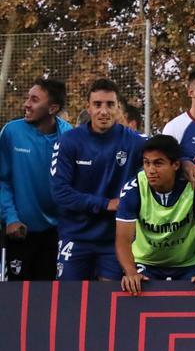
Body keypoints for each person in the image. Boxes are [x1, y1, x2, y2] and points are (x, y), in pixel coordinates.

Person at [51, 78, 146, 280]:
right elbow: (60, 193)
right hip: (75, 236)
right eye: (97, 105)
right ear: (89, 107)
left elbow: (164, 151)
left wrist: (185, 162)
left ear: (118, 108)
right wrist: (105, 204)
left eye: (110, 105)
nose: (104, 111)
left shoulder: (133, 141)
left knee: (108, 302)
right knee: (69, 299)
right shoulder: (69, 141)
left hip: (114, 240)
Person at [115, 135, 195, 295]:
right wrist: (130, 272)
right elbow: (123, 238)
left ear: (176, 164)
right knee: (135, 297)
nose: (151, 170)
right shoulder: (133, 189)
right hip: (146, 262)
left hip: (188, 262)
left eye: (158, 163)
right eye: (146, 163)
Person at [0, 78, 73, 280]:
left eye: (34, 100)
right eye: (27, 98)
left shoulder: (69, 136)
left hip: (56, 233)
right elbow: (2, 180)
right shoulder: (11, 132)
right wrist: (11, 218)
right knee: (15, 300)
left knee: (48, 300)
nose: (26, 104)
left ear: (52, 108)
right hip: (19, 231)